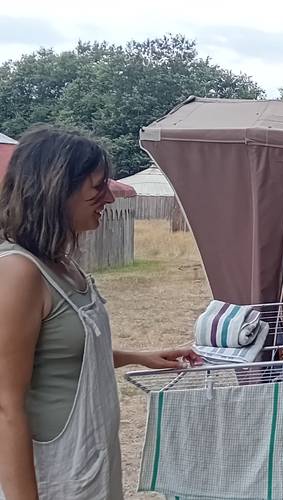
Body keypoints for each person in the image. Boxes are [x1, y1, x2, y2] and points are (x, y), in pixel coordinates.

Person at [0, 126, 200, 500]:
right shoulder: (18, 272)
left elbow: (62, 358)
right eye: (97, 188)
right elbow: (6, 406)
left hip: (90, 464)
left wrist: (141, 357)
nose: (109, 197)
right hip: (53, 475)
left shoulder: (63, 263)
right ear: (56, 190)